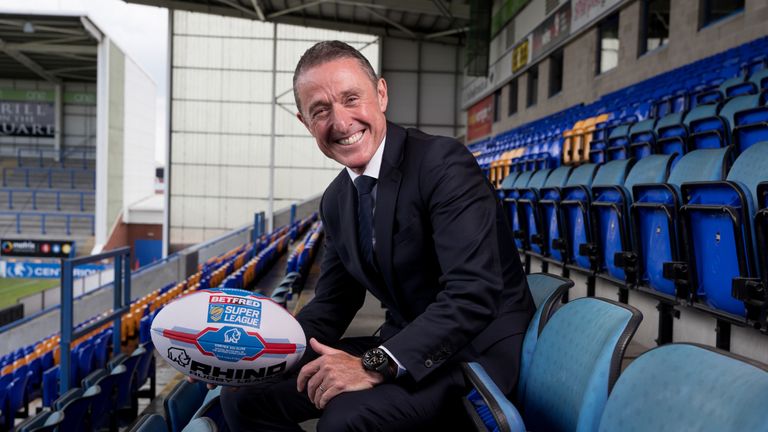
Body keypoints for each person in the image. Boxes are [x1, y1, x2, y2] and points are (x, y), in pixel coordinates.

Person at [219, 40, 534, 431]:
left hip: (474, 352)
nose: (340, 121)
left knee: (346, 418)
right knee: (244, 398)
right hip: (401, 341)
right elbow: (333, 303)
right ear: (305, 123)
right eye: (321, 111)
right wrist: (253, 355)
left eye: (352, 98)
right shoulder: (336, 199)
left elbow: (473, 295)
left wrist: (376, 364)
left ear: (381, 94)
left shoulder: (443, 164)